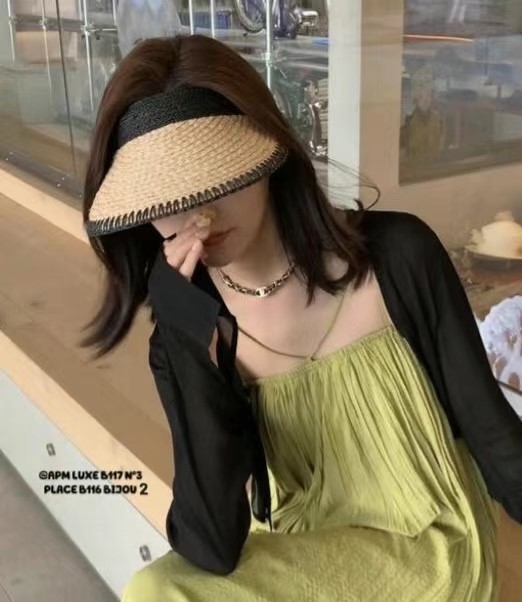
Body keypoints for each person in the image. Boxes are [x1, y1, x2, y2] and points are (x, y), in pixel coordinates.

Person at [81, 35, 522, 601]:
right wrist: (185, 333)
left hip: (431, 542)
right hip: (304, 547)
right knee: (163, 588)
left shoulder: (398, 257)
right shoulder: (190, 327)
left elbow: (494, 438)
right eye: (164, 198)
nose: (198, 214)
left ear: (269, 151)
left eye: (216, 174)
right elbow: (210, 542)